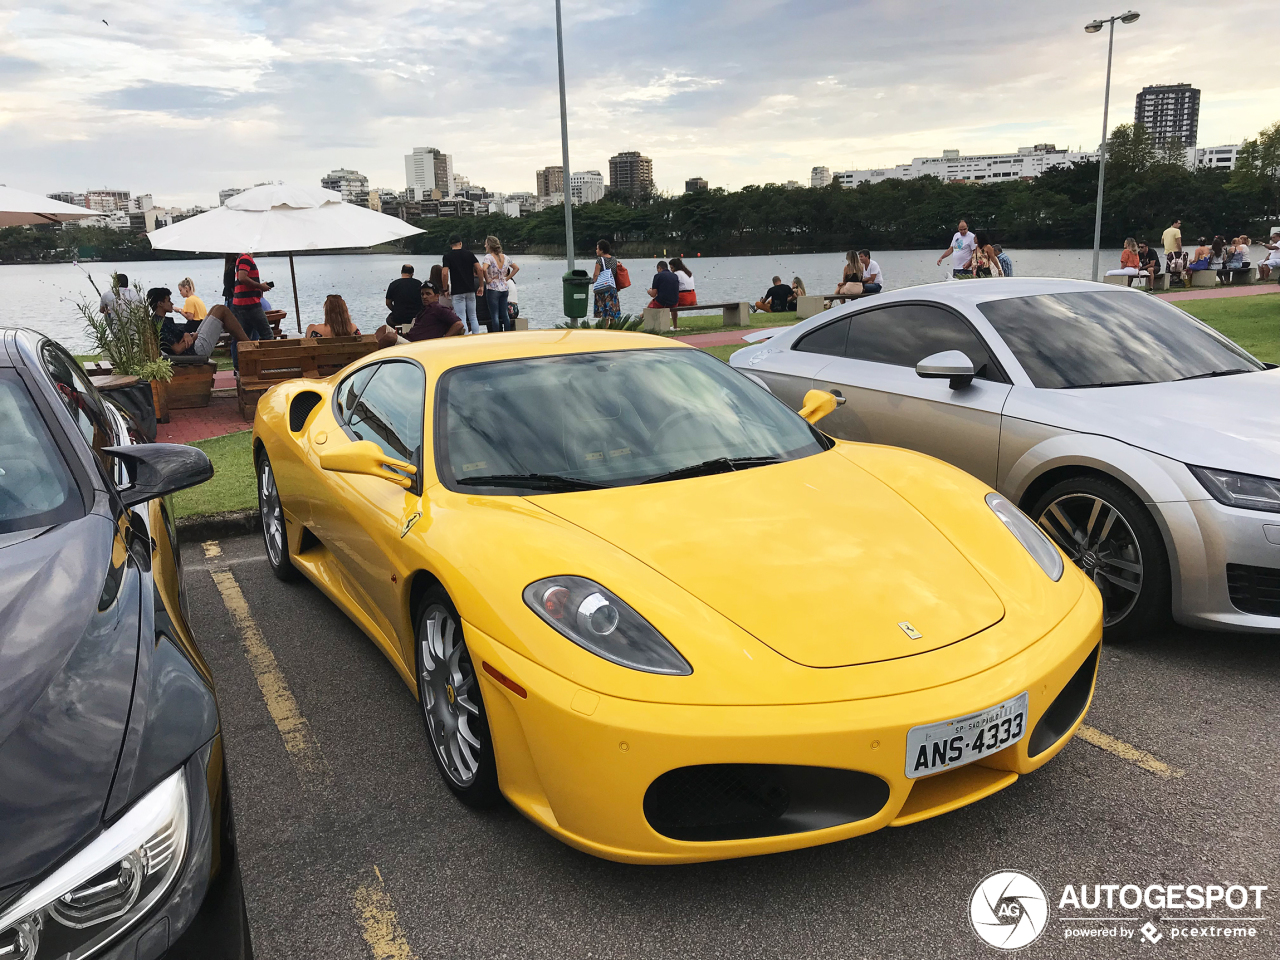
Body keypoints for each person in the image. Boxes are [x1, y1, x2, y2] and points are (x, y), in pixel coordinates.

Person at [150, 286, 250, 358]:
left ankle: (247, 343)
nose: (172, 303)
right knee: (222, 310)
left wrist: (186, 335)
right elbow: (177, 349)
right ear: (160, 304)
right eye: (168, 301)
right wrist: (192, 338)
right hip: (195, 351)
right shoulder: (160, 325)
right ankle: (250, 345)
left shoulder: (162, 320)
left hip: (193, 345)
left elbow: (176, 339)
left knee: (215, 308)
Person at [442, 236, 484, 335]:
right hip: (470, 289)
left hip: (457, 291)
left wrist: (445, 288)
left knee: (461, 317)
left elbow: (444, 273)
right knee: (473, 316)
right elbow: (480, 269)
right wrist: (481, 285)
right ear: (460, 243)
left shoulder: (447, 256)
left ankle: (465, 339)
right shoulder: (469, 254)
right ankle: (476, 336)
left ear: (450, 245)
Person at [232, 251, 274, 341]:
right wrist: (260, 286)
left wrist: (260, 287)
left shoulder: (240, 258)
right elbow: (242, 277)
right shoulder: (245, 258)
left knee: (244, 338)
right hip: (250, 304)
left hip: (241, 304)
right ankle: (265, 354)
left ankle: (243, 355)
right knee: (267, 335)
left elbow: (242, 279)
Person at [480, 236, 518, 333]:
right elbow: (516, 268)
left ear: (489, 245)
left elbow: (483, 269)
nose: (485, 246)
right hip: (504, 287)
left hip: (493, 288)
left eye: (486, 244)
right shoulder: (505, 257)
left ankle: (496, 334)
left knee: (494, 315)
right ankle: (507, 332)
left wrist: (487, 279)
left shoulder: (488, 257)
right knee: (504, 313)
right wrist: (507, 278)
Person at [591, 239, 622, 327]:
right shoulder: (614, 260)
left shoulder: (600, 260)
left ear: (601, 250)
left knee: (604, 312)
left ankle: (605, 329)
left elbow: (596, 275)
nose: (596, 250)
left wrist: (594, 282)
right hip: (612, 287)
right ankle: (613, 328)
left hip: (602, 289)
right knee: (612, 311)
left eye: (597, 249)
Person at [385, 264, 422, 329]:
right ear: (412, 273)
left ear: (401, 272)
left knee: (389, 319)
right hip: (416, 317)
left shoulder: (393, 284)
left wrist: (395, 310)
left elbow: (388, 303)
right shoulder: (419, 284)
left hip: (399, 318)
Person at [647, 261, 681, 326]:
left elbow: (653, 294)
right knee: (657, 301)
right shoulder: (675, 276)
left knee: (650, 306)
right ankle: (675, 326)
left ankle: (650, 324)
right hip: (674, 302)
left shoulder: (657, 276)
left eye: (657, 269)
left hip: (662, 303)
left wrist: (649, 292)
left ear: (659, 268)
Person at [669, 257, 696, 330]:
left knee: (671, 302)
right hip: (693, 297)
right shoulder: (688, 273)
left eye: (671, 268)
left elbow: (672, 288)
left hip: (685, 298)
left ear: (675, 267)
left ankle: (675, 326)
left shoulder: (677, 274)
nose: (671, 270)